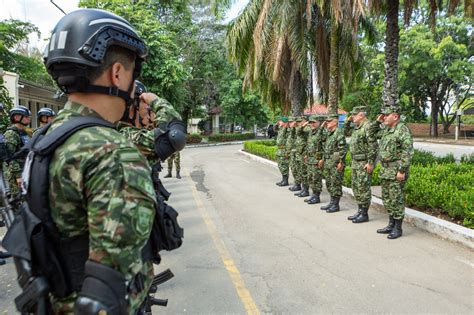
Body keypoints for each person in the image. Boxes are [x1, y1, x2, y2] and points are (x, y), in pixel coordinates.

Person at [38, 9, 157, 313]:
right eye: (134, 75)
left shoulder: (45, 139)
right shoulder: (110, 151)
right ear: (118, 73)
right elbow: (113, 282)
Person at [373, 106, 413, 239]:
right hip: (385, 170)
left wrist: (402, 170)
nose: (383, 117)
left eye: (386, 115)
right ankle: (391, 224)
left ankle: (398, 227)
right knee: (387, 198)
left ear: (395, 116)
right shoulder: (387, 130)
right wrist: (378, 122)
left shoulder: (402, 130)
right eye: (383, 115)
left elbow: (407, 152)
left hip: (396, 171)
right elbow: (372, 133)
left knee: (396, 199)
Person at [344, 106, 378, 223]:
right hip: (355, 162)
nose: (352, 117)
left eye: (354, 115)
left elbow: (373, 146)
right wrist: (348, 122)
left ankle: (364, 213)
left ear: (361, 115)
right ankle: (360, 210)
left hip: (363, 163)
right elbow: (345, 132)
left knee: (363, 188)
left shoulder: (368, 126)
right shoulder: (357, 127)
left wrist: (370, 163)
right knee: (356, 187)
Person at [319, 114, 347, 213]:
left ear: (335, 122)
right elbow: (325, 147)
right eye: (326, 121)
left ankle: (336, 204)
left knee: (335, 183)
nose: (327, 123)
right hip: (328, 162)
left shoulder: (338, 132)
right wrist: (323, 159)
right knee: (329, 182)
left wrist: (341, 162)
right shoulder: (329, 133)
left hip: (335, 163)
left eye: (329, 121)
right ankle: (331, 202)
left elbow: (342, 149)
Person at [3, 105, 31, 201]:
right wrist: (18, 176)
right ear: (17, 117)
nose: (28, 119)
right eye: (26, 117)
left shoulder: (23, 132)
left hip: (24, 170)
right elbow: (10, 157)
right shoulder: (11, 134)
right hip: (15, 174)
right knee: (18, 201)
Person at [304, 115, 326, 204]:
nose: (312, 124)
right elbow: (308, 144)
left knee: (316, 178)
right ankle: (313, 195)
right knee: (310, 178)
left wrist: (323, 159)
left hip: (317, 160)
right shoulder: (311, 132)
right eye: (311, 122)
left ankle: (317, 196)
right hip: (310, 159)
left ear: (319, 122)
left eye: (313, 122)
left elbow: (326, 147)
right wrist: (306, 155)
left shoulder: (322, 132)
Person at [294, 116, 310, 197]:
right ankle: (303, 189)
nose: (299, 123)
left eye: (301, 121)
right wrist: (302, 125)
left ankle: (306, 190)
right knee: (301, 172)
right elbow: (298, 132)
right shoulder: (302, 127)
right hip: (300, 154)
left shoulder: (307, 128)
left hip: (304, 154)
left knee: (304, 173)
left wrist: (304, 125)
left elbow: (299, 132)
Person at [275, 117, 290, 186]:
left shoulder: (287, 130)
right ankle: (283, 179)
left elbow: (289, 141)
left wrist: (287, 152)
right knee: (280, 165)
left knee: (284, 165)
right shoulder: (281, 129)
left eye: (280, 121)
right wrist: (276, 124)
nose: (279, 122)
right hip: (279, 150)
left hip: (284, 150)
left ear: (285, 123)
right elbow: (274, 129)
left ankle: (285, 181)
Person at [287, 118, 301, 192]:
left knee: (298, 169)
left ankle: (298, 185)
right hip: (293, 152)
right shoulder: (292, 130)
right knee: (293, 168)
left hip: (298, 152)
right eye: (289, 122)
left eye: (291, 122)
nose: (290, 123)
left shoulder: (298, 130)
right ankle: (297, 184)